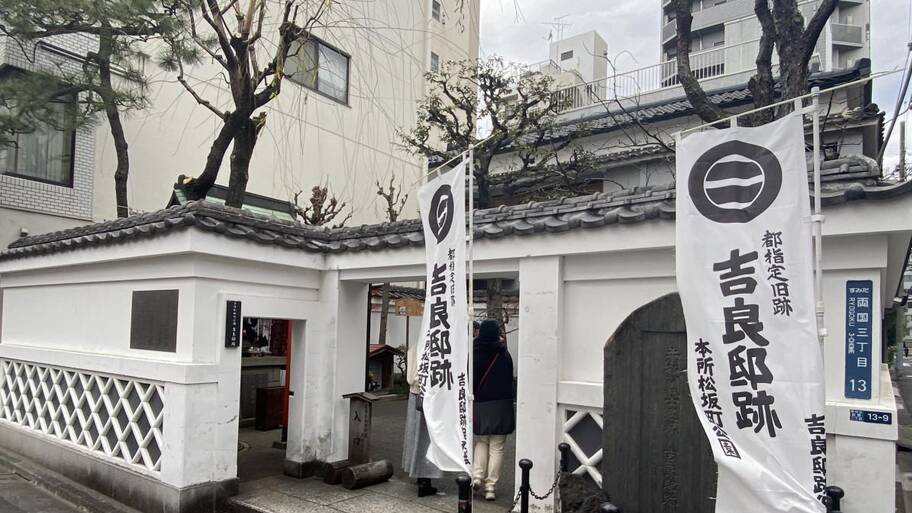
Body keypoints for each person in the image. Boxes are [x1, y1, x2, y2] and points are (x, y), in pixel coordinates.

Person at [472, 319, 515, 501]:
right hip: (501, 405)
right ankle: (490, 487)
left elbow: (471, 379)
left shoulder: (475, 352)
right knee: (497, 446)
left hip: (481, 404)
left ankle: (476, 477)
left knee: (482, 441)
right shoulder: (504, 354)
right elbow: (510, 378)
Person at [402, 343, 442, 497]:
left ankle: (418, 474)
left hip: (414, 395)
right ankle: (425, 479)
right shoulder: (434, 347)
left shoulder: (414, 347)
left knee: (415, 436)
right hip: (428, 395)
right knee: (427, 438)